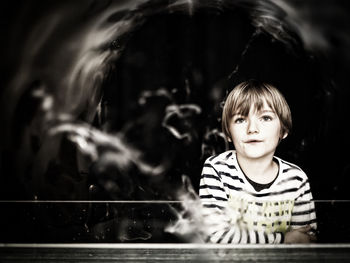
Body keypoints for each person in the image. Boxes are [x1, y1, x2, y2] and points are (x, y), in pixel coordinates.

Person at [199, 80, 317, 243]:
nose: (252, 128)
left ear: (283, 130)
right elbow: (216, 237)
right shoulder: (217, 170)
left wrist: (293, 240)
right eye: (240, 120)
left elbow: (304, 241)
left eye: (265, 118)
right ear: (228, 132)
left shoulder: (296, 179)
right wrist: (282, 240)